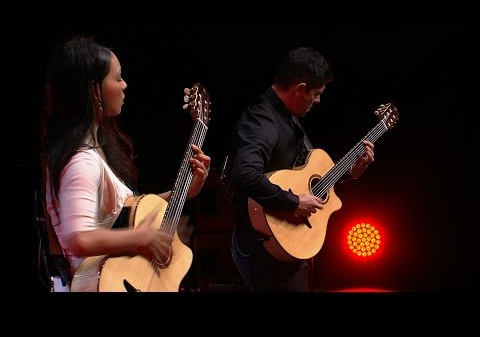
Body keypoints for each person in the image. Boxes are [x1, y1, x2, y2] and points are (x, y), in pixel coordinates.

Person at [40, 35, 211, 291]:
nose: (125, 85)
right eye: (117, 78)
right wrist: (139, 238)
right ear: (93, 89)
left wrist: (184, 192)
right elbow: (78, 238)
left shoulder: (95, 150)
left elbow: (123, 212)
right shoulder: (82, 162)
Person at [228, 47, 375, 292]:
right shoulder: (262, 121)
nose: (318, 101)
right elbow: (243, 175)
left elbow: (308, 183)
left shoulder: (288, 118)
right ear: (299, 89)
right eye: (316, 94)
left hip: (288, 244)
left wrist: (351, 172)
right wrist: (293, 202)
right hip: (264, 249)